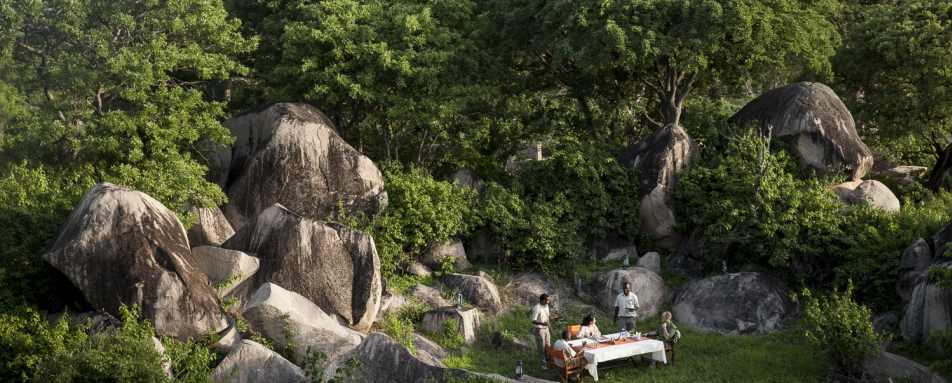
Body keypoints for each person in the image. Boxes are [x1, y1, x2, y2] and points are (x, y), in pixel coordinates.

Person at [531, 293, 552, 368]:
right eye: (547, 300)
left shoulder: (546, 306)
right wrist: (543, 323)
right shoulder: (537, 308)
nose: (548, 301)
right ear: (543, 300)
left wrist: (550, 327)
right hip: (539, 329)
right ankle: (543, 364)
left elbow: (547, 317)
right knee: (541, 347)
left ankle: (549, 362)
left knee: (548, 346)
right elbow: (533, 320)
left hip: (546, 329)